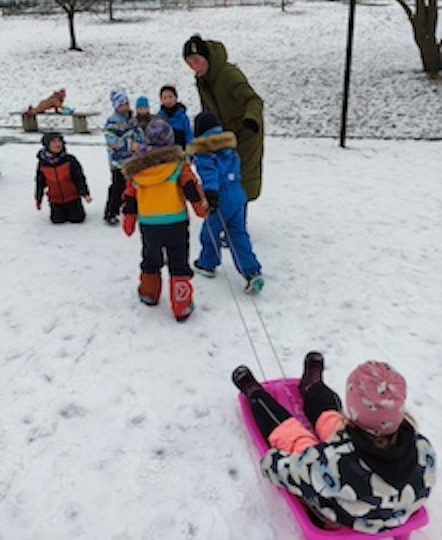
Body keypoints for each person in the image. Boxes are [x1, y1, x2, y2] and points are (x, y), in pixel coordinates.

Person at [232, 353, 436, 534]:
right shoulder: (423, 448)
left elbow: (295, 473)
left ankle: (258, 397)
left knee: (298, 440)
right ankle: (313, 387)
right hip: (392, 509)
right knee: (333, 423)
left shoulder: (335, 464)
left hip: (347, 513)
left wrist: (271, 463)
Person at [121, 118, 208, 322]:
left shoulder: (138, 170)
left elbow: (130, 197)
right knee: (178, 261)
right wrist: (201, 209)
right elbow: (191, 189)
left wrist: (129, 220)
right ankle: (182, 305)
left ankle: (149, 293)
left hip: (149, 224)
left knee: (151, 258)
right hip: (176, 222)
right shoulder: (179, 166)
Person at [187, 111, 264, 294]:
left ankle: (207, 263)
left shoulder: (205, 152)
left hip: (221, 198)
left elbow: (210, 174)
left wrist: (211, 193)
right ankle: (252, 272)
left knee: (210, 232)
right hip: (238, 196)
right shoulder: (230, 149)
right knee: (238, 234)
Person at [183, 34, 264, 201]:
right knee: (224, 178)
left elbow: (253, 100)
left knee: (242, 181)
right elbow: (207, 109)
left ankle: (239, 213)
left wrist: (251, 119)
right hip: (225, 134)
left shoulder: (228, 74)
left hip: (247, 131)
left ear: (206, 57)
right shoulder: (202, 80)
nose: (194, 67)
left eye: (197, 61)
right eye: (190, 63)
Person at [103, 89, 144, 225]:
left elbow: (139, 133)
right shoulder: (112, 122)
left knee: (134, 184)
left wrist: (140, 143)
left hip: (133, 160)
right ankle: (111, 211)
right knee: (118, 186)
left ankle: (133, 207)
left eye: (126, 104)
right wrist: (128, 145)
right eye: (121, 105)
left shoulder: (132, 120)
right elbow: (111, 141)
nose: (124, 107)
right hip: (118, 162)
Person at [35, 132, 91, 224]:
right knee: (57, 221)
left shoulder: (70, 160)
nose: (58, 144)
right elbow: (40, 182)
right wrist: (38, 199)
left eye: (59, 141)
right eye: (54, 142)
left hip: (72, 197)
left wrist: (85, 193)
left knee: (77, 219)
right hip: (55, 199)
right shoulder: (43, 164)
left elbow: (79, 178)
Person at [158, 84, 193, 149]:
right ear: (161, 100)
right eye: (165, 98)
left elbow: (188, 134)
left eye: (170, 97)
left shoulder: (183, 117)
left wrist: (189, 149)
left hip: (181, 150)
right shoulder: (159, 118)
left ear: (176, 98)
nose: (168, 100)